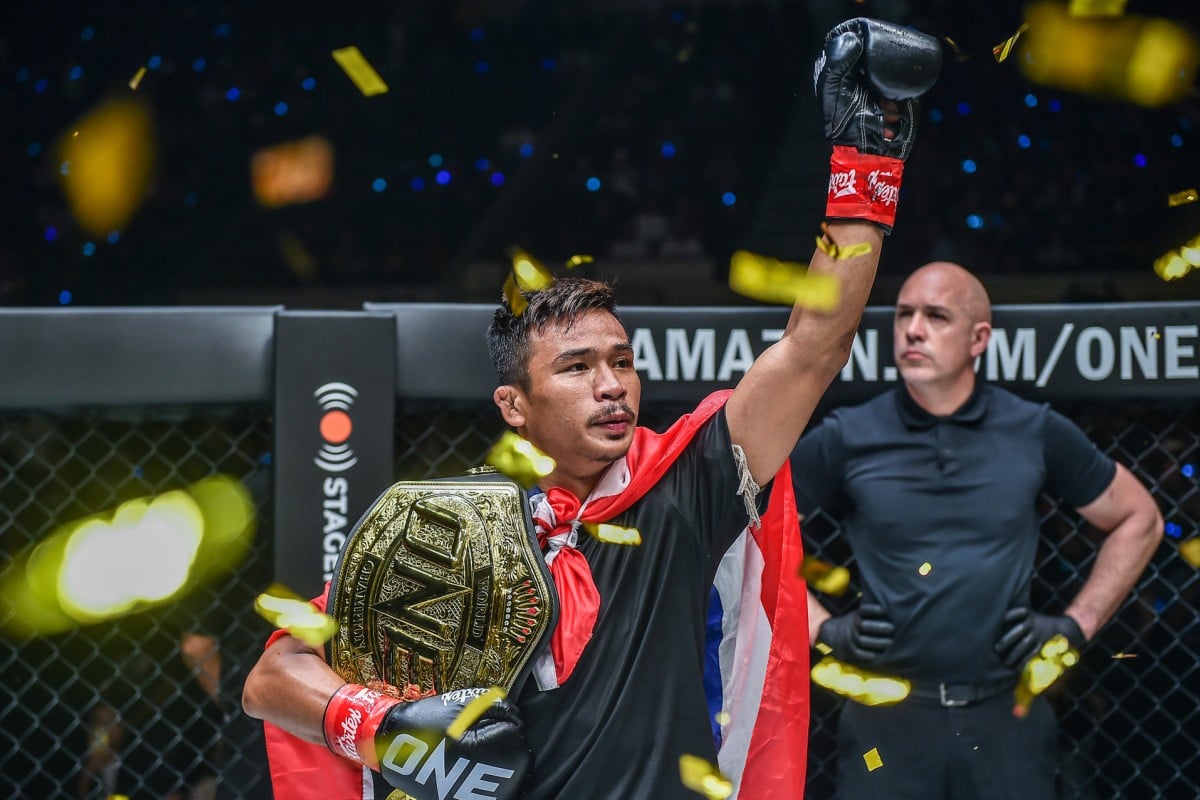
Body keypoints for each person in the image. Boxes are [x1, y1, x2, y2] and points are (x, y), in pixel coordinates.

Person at [242, 17, 942, 800]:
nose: (613, 385)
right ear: (514, 404)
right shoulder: (452, 532)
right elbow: (273, 676)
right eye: (577, 368)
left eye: (622, 363)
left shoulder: (688, 484)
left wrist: (867, 159)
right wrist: (381, 727)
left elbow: (814, 344)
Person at [793, 261, 1163, 800]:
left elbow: (1140, 518)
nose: (913, 329)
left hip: (1006, 713)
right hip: (883, 722)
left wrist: (1074, 627)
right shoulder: (848, 436)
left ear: (978, 338)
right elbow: (751, 532)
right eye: (904, 315)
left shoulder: (1033, 429)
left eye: (936, 316)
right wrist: (821, 627)